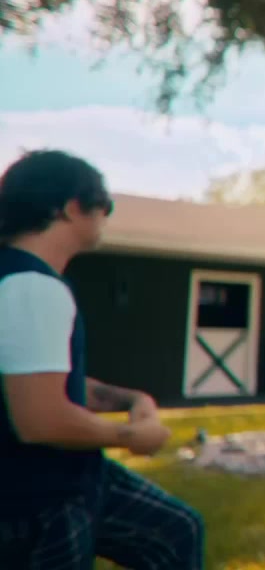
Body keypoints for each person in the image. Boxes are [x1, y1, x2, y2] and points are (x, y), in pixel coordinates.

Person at [0, 149, 205, 569]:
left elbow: (43, 379)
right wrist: (131, 436)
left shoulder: (25, 281)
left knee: (175, 531)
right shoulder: (32, 289)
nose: (106, 217)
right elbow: (41, 420)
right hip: (36, 501)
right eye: (104, 205)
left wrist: (129, 400)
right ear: (71, 208)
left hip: (78, 476)